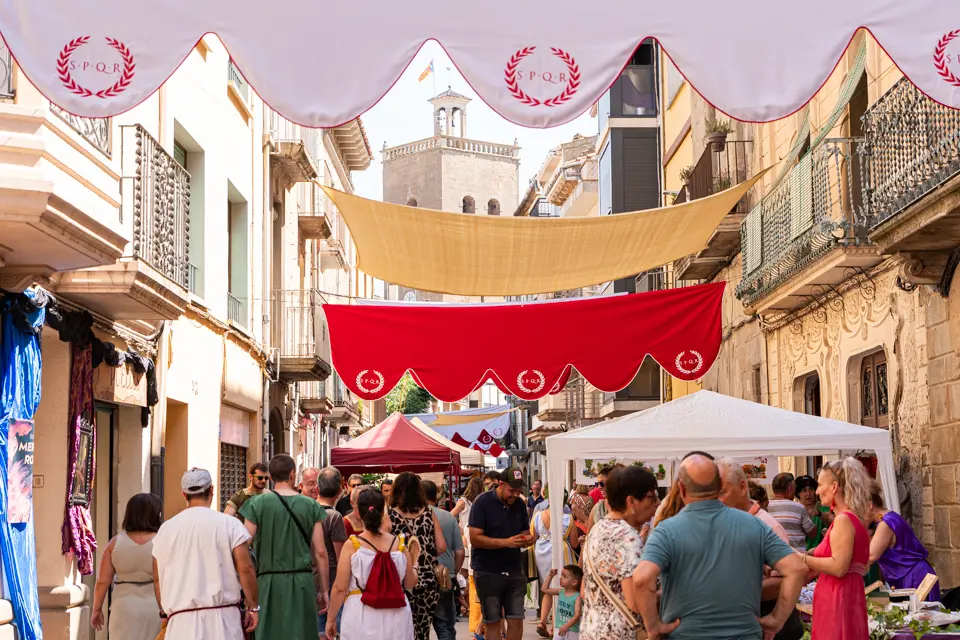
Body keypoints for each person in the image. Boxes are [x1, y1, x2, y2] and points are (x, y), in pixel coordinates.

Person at [635, 455, 805, 640]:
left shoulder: (667, 531)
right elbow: (796, 568)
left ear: (682, 489)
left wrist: (653, 627)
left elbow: (642, 579)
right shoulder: (754, 525)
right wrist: (776, 620)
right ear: (718, 486)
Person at [152, 468, 259, 639]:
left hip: (180, 624)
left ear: (184, 495)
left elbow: (157, 578)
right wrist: (253, 607)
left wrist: (164, 613)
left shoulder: (165, 530)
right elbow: (246, 568)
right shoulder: (229, 524)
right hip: (223, 622)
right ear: (211, 490)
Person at [239, 454, 329, 640]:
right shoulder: (311, 505)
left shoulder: (257, 504)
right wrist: (324, 590)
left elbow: (243, 545)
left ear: (270, 477)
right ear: (292, 475)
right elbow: (320, 552)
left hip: (268, 583)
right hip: (302, 582)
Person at [717, 459, 804, 640]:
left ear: (742, 487)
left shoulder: (766, 526)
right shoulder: (728, 523)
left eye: (722, 493)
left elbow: (785, 580)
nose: (716, 501)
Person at [579, 465, 660, 640]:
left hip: (592, 631)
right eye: (651, 497)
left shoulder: (598, 529)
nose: (657, 503)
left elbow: (585, 591)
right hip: (620, 633)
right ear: (631, 502)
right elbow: (635, 601)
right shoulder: (627, 537)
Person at [326, 488, 418, 640]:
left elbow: (339, 587)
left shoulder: (353, 545)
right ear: (383, 513)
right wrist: (414, 567)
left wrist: (331, 619)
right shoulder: (399, 544)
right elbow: (409, 582)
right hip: (397, 613)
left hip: (361, 611)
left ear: (359, 514)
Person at [803, 458, 872, 639]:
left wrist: (802, 558)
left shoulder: (843, 520)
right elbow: (863, 566)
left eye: (819, 485)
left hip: (837, 598)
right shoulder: (854, 519)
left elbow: (839, 567)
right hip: (848, 595)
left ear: (834, 487)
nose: (817, 491)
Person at [469, 467, 533, 640]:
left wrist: (528, 538)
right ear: (501, 484)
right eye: (512, 490)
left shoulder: (519, 504)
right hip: (487, 570)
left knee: (516, 620)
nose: (515, 495)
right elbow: (475, 538)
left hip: (514, 569)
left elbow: (524, 530)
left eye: (519, 491)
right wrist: (507, 542)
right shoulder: (482, 502)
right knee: (493, 622)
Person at [91, 493, 163, 639]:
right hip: (155, 608)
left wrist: (96, 609)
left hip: (123, 608)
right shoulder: (163, 542)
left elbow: (102, 581)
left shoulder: (115, 543)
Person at [389, 472, 447, 640]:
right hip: (428, 580)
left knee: (401, 630)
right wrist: (426, 553)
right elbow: (441, 547)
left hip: (400, 579)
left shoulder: (390, 516)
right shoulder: (429, 513)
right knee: (422, 630)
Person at [868, 485, 939, 599]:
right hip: (907, 575)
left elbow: (870, 556)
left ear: (869, 505)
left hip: (914, 577)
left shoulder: (885, 524)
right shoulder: (885, 517)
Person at [532, 487, 579, 637]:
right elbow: (574, 543)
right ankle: (555, 626)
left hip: (541, 552)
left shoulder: (538, 516)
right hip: (560, 550)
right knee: (562, 588)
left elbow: (532, 538)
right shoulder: (568, 518)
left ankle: (543, 621)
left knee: (547, 587)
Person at [424, 479, 465, 640]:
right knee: (445, 626)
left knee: (420, 625)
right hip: (445, 575)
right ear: (436, 496)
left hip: (421, 576)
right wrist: (454, 572)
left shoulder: (413, 515)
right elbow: (460, 552)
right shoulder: (448, 517)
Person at [317, 467, 350, 637]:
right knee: (329, 630)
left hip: (309, 578)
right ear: (339, 490)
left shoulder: (307, 510)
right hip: (330, 580)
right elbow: (341, 556)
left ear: (317, 488)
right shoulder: (334, 517)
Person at [451, 477, 484, 639]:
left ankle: (470, 611)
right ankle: (467, 608)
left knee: (469, 578)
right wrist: (461, 530)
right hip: (468, 540)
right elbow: (452, 515)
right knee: (467, 578)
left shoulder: (474, 502)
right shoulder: (464, 501)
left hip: (470, 539)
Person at [767, 473, 817, 553]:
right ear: (790, 488)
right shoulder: (798, 507)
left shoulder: (765, 507)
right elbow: (812, 533)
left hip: (772, 558)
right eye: (794, 488)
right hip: (796, 558)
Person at [543, 565, 583, 640]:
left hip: (573, 631)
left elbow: (577, 615)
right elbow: (544, 589)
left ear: (574, 582)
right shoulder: (561, 591)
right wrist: (550, 576)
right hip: (559, 628)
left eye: (564, 576)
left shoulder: (577, 597)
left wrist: (567, 626)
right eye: (561, 575)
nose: (560, 578)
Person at [796, 474, 833, 550]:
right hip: (800, 553)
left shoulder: (824, 508)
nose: (808, 494)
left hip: (821, 552)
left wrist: (819, 514)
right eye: (804, 491)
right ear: (798, 494)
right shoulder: (796, 510)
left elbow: (831, 519)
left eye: (811, 490)